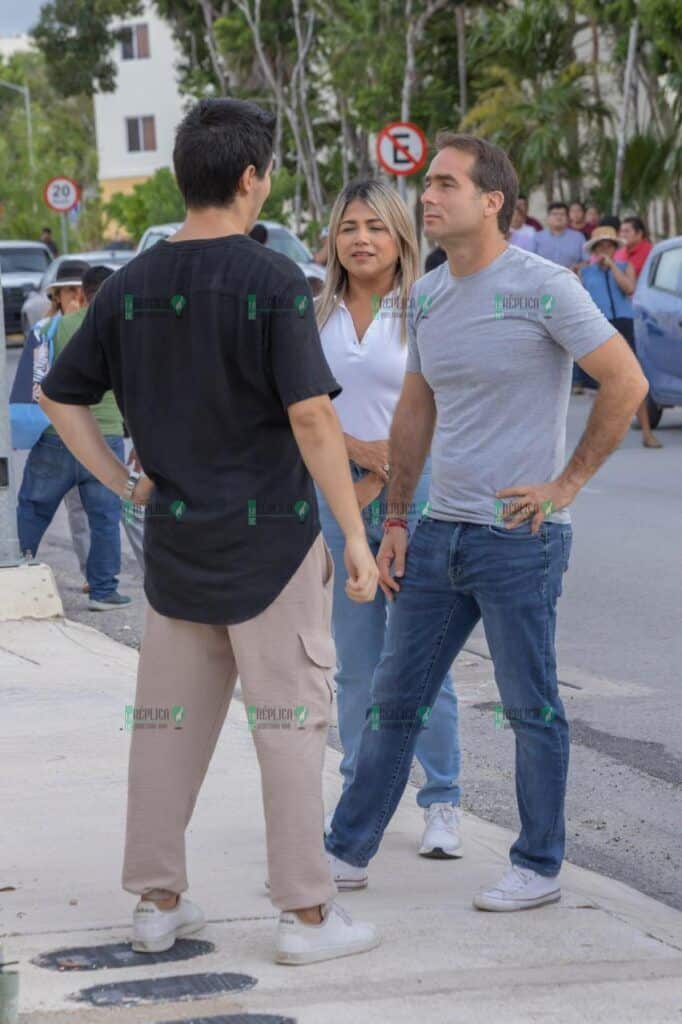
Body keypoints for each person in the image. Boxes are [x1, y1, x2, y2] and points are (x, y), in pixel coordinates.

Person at [38, 97, 381, 967]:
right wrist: (356, 535)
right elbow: (310, 418)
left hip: (177, 550)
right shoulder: (273, 281)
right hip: (271, 549)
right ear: (250, 178)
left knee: (163, 728)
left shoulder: (129, 287)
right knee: (291, 726)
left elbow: (57, 394)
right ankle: (306, 918)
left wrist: (123, 482)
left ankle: (156, 904)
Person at [324, 131, 648, 913]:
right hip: (439, 531)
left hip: (518, 541)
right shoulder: (429, 294)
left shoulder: (544, 286)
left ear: (492, 201)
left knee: (531, 706)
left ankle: (538, 863)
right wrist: (398, 515)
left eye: (444, 184)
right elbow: (416, 407)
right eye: (427, 184)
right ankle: (345, 849)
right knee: (393, 700)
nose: (426, 197)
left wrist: (565, 484)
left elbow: (625, 380)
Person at [315, 179, 461, 875]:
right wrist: (355, 461)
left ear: (402, 237)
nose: (362, 238)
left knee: (422, 656)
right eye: (349, 227)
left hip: (419, 494)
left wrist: (388, 479)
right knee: (356, 662)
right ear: (333, 241)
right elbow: (298, 412)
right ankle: (356, 796)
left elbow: (444, 411)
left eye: (376, 225)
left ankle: (443, 798)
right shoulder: (312, 315)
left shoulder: (427, 306)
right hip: (336, 500)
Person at [17, 261, 131, 611]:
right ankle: (103, 591)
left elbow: (37, 379)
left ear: (81, 294)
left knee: (34, 507)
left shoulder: (57, 327)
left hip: (58, 434)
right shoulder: (126, 331)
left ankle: (17, 573)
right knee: (105, 518)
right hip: (107, 437)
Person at [581, 226, 661, 448]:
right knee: (604, 383)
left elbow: (628, 288)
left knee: (635, 378)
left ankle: (646, 432)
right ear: (595, 249)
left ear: (615, 248)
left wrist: (613, 266)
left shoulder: (626, 267)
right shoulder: (585, 272)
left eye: (609, 245)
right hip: (600, 326)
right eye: (601, 245)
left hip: (623, 324)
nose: (605, 248)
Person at [533, 202, 585, 268]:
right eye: (554, 214)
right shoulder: (537, 237)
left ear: (568, 218)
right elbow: (529, 260)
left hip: (570, 276)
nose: (558, 217)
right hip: (543, 276)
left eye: (562, 214)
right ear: (548, 218)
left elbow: (587, 261)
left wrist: (576, 268)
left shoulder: (578, 237)